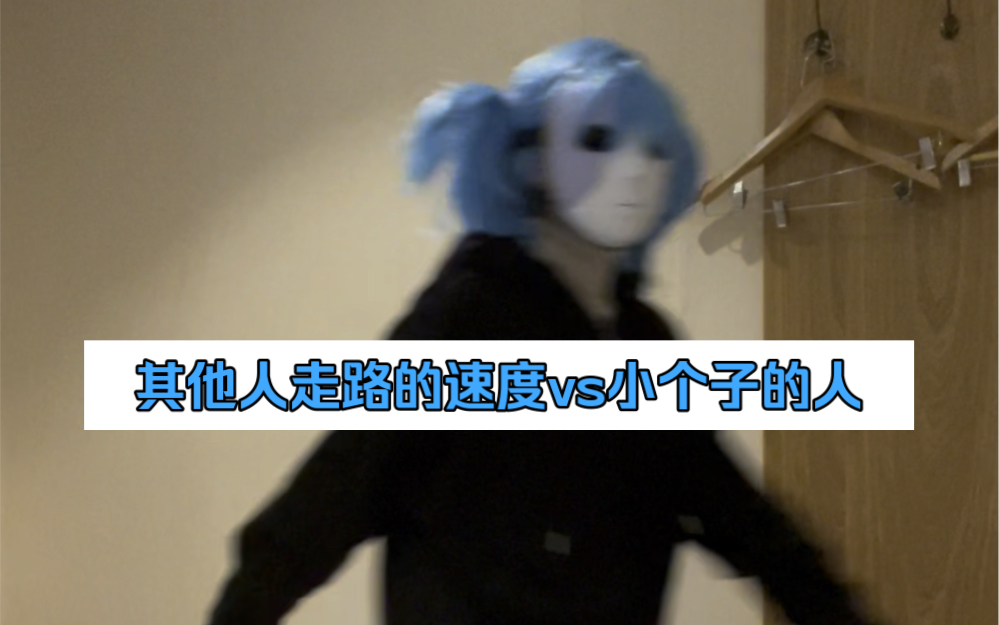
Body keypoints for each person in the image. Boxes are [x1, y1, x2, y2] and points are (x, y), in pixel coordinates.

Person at [207, 39, 879, 625]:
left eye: (652, 148)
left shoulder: (641, 342)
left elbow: (744, 521)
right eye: (597, 141)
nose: (633, 169)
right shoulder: (465, 321)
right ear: (530, 161)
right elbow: (328, 499)